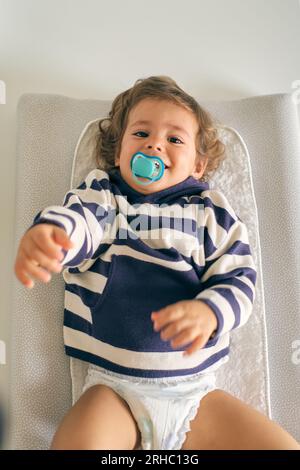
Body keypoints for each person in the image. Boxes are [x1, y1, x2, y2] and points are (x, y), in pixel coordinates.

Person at [14, 76, 300, 450]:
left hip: (195, 395)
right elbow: (79, 222)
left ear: (198, 164)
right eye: (141, 133)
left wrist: (211, 313)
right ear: (119, 154)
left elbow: (239, 277)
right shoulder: (106, 196)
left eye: (174, 139)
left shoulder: (209, 213)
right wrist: (52, 236)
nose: (154, 144)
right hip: (114, 390)